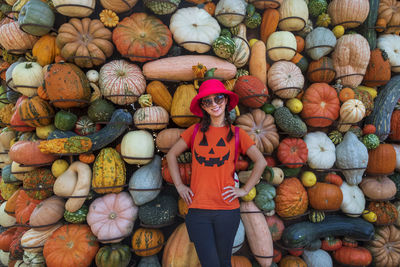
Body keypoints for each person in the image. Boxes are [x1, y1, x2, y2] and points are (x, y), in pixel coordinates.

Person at [166, 79, 267, 267]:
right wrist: (179, 185)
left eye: (218, 98)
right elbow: (171, 155)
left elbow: (261, 161)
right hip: (197, 210)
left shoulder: (237, 134)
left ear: (226, 101)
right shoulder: (194, 132)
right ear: (203, 106)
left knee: (224, 262)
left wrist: (244, 190)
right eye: (207, 101)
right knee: (210, 263)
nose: (214, 104)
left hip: (227, 211)